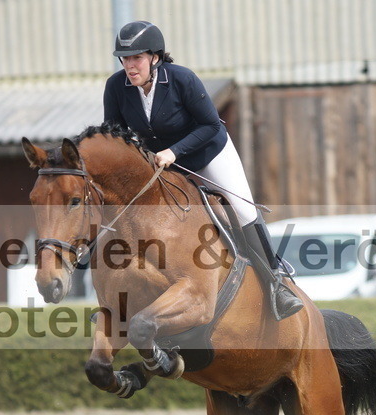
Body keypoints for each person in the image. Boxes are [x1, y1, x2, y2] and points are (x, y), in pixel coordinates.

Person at [103, 20, 303, 321]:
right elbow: (113, 136)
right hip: (159, 164)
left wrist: (174, 151)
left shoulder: (182, 79)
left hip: (208, 153)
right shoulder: (116, 87)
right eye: (125, 59)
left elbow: (210, 125)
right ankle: (118, 300)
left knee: (242, 209)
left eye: (137, 58)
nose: (130, 66)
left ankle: (277, 283)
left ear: (155, 57)